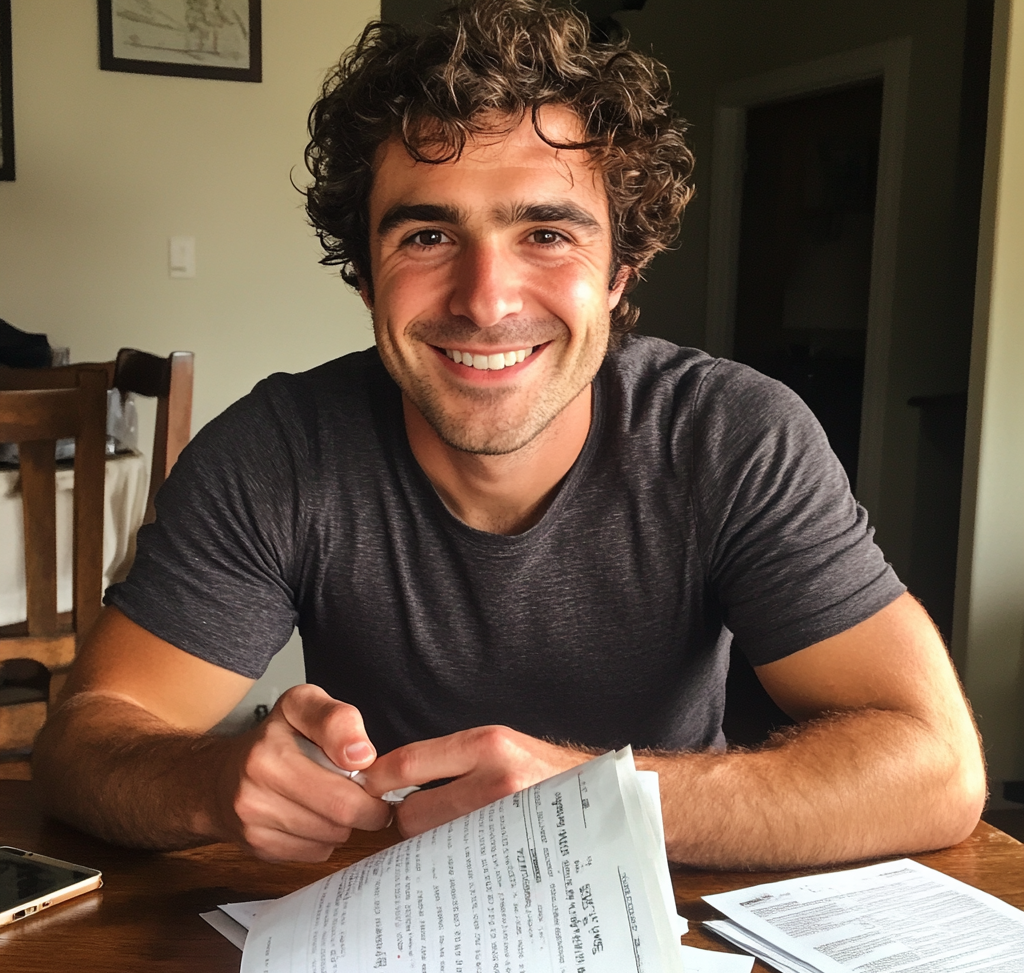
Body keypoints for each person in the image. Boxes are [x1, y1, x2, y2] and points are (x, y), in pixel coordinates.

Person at [33, 0, 984, 870]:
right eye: (427, 236)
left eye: (549, 234)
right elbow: (84, 742)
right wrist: (213, 779)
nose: (486, 300)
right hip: (382, 919)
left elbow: (936, 767)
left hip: (669, 912)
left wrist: (596, 800)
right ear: (365, 274)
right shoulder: (277, 452)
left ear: (620, 271)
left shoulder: (734, 435)